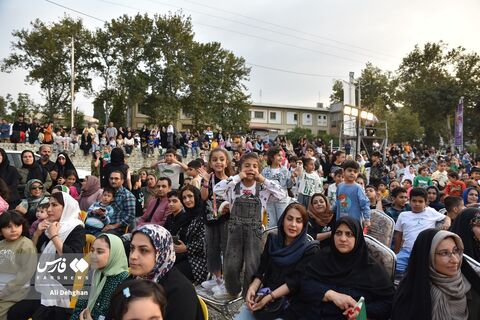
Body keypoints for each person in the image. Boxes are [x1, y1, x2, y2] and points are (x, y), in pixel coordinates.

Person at [262, 216, 394, 319]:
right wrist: (330, 294)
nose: (342, 239)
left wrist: (362, 310)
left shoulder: (370, 268)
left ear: (357, 238)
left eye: (349, 234)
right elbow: (303, 283)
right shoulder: (323, 257)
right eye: (338, 233)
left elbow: (388, 302)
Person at [214, 152, 286, 299]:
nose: (251, 169)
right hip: (235, 230)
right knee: (231, 265)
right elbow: (217, 190)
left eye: (254, 166)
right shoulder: (233, 186)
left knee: (253, 265)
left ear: (259, 170)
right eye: (247, 166)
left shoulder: (263, 188)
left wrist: (263, 179)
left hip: (255, 231)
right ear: (240, 168)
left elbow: (282, 195)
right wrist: (237, 177)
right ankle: (233, 291)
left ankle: (249, 294)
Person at [9, 192, 85, 320]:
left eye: (54, 205)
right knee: (14, 313)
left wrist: (54, 236)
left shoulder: (76, 229)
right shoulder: (51, 226)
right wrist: (37, 233)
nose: (49, 209)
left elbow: (71, 259)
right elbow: (34, 253)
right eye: (49, 205)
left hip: (60, 288)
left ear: (66, 207)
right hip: (40, 284)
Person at [237, 203, 319, 320]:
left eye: (299, 221)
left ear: (304, 225)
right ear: (282, 220)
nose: (293, 225)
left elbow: (295, 282)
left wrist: (270, 297)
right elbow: (262, 269)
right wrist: (253, 288)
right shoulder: (272, 241)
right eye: (289, 219)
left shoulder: (310, 250)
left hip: (290, 304)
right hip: (265, 298)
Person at [392, 229, 480, 320]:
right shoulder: (412, 296)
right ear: (427, 257)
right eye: (444, 253)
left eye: (456, 251)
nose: (455, 260)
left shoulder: (472, 286)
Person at [129, 224, 203, 320]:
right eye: (132, 248)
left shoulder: (179, 291)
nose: (133, 256)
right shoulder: (134, 278)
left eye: (143, 250)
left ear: (162, 253)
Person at [198, 148, 233, 293]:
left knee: (226, 249)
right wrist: (205, 181)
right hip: (209, 219)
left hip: (225, 220)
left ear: (227, 162)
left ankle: (227, 281)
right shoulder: (208, 178)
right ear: (210, 163)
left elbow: (234, 201)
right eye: (214, 160)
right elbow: (204, 197)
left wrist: (229, 208)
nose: (218, 162)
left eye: (221, 159)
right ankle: (217, 278)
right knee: (211, 248)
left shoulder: (231, 181)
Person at [394, 187, 451, 276]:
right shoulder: (403, 215)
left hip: (425, 251)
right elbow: (398, 235)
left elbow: (447, 217)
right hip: (406, 251)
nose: (417, 204)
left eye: (420, 201)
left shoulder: (431, 212)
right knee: (394, 267)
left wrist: (447, 223)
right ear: (409, 201)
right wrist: (396, 252)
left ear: (426, 202)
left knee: (424, 272)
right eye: (414, 201)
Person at [71, 234, 129, 320]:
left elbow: (124, 315)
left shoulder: (125, 281)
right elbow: (80, 306)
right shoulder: (94, 273)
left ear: (114, 254)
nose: (93, 255)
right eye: (92, 250)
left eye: (100, 252)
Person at [164, 187, 207, 284]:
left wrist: (187, 248)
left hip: (198, 259)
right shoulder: (186, 216)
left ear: (197, 196)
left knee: (171, 275)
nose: (187, 200)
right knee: (159, 268)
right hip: (181, 254)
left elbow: (207, 242)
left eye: (190, 196)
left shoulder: (204, 215)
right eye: (184, 198)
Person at [0, 211, 37, 319]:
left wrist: (5, 290)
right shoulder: (1, 244)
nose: (13, 229)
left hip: (15, 290)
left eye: (17, 225)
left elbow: (25, 273)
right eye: (8, 227)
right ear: (1, 231)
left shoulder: (25, 244)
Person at [334, 160, 371, 226]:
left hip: (354, 222)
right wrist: (332, 209)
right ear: (343, 171)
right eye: (350, 170)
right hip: (340, 220)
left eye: (355, 172)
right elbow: (337, 201)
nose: (352, 173)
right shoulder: (340, 186)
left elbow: (364, 204)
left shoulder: (358, 188)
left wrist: (367, 219)